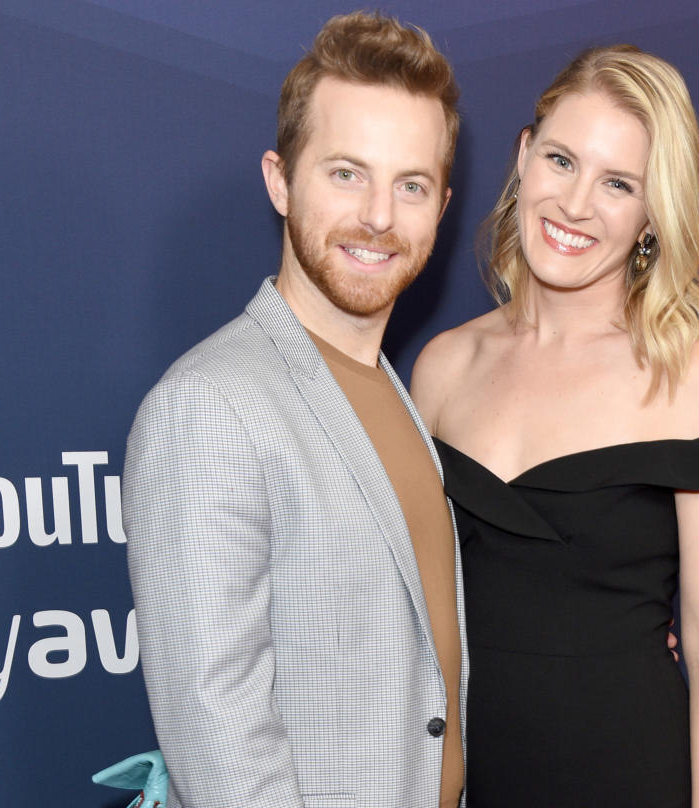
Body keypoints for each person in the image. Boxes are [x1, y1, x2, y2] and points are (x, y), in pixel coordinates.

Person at [411, 45, 699, 807]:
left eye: (619, 184)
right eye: (561, 160)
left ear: (654, 211)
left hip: (626, 773)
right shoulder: (442, 368)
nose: (576, 205)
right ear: (523, 156)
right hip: (465, 779)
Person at [122, 12, 465, 808]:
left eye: (410, 185)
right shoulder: (207, 407)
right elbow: (218, 739)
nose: (379, 216)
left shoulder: (393, 390)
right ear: (280, 180)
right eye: (347, 173)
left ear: (441, 207)